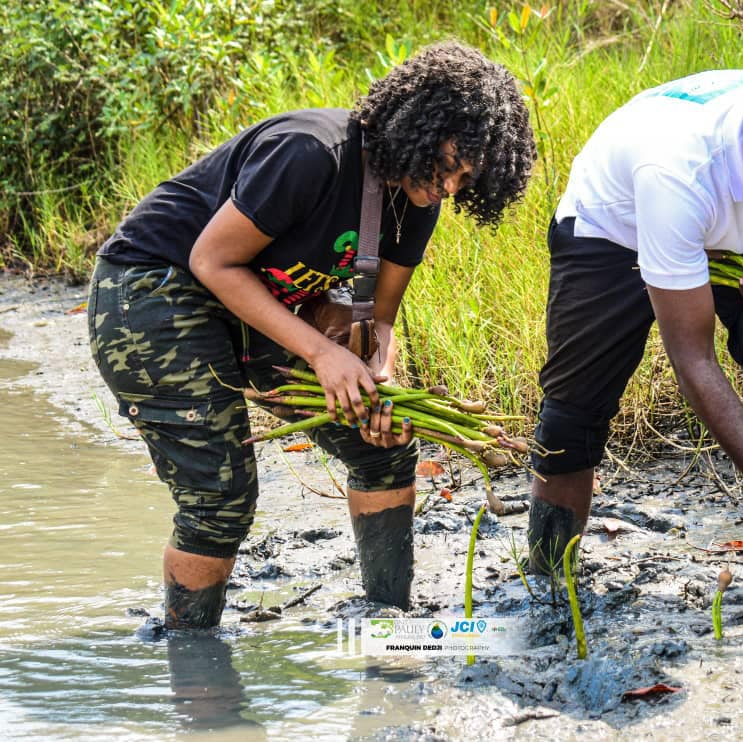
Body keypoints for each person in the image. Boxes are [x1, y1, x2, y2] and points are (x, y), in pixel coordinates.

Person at [88, 42, 536, 628]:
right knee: (220, 495)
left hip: (254, 304)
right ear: (418, 127)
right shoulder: (311, 153)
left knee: (383, 448)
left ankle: (387, 628)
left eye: (466, 178)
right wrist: (322, 352)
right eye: (447, 163)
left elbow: (377, 321)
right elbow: (211, 261)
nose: (449, 185)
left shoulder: (417, 202)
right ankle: (192, 657)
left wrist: (377, 379)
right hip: (152, 291)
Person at [527, 64, 743, 584]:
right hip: (613, 232)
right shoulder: (677, 173)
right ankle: (549, 583)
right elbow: (694, 362)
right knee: (573, 417)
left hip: (715, 224)